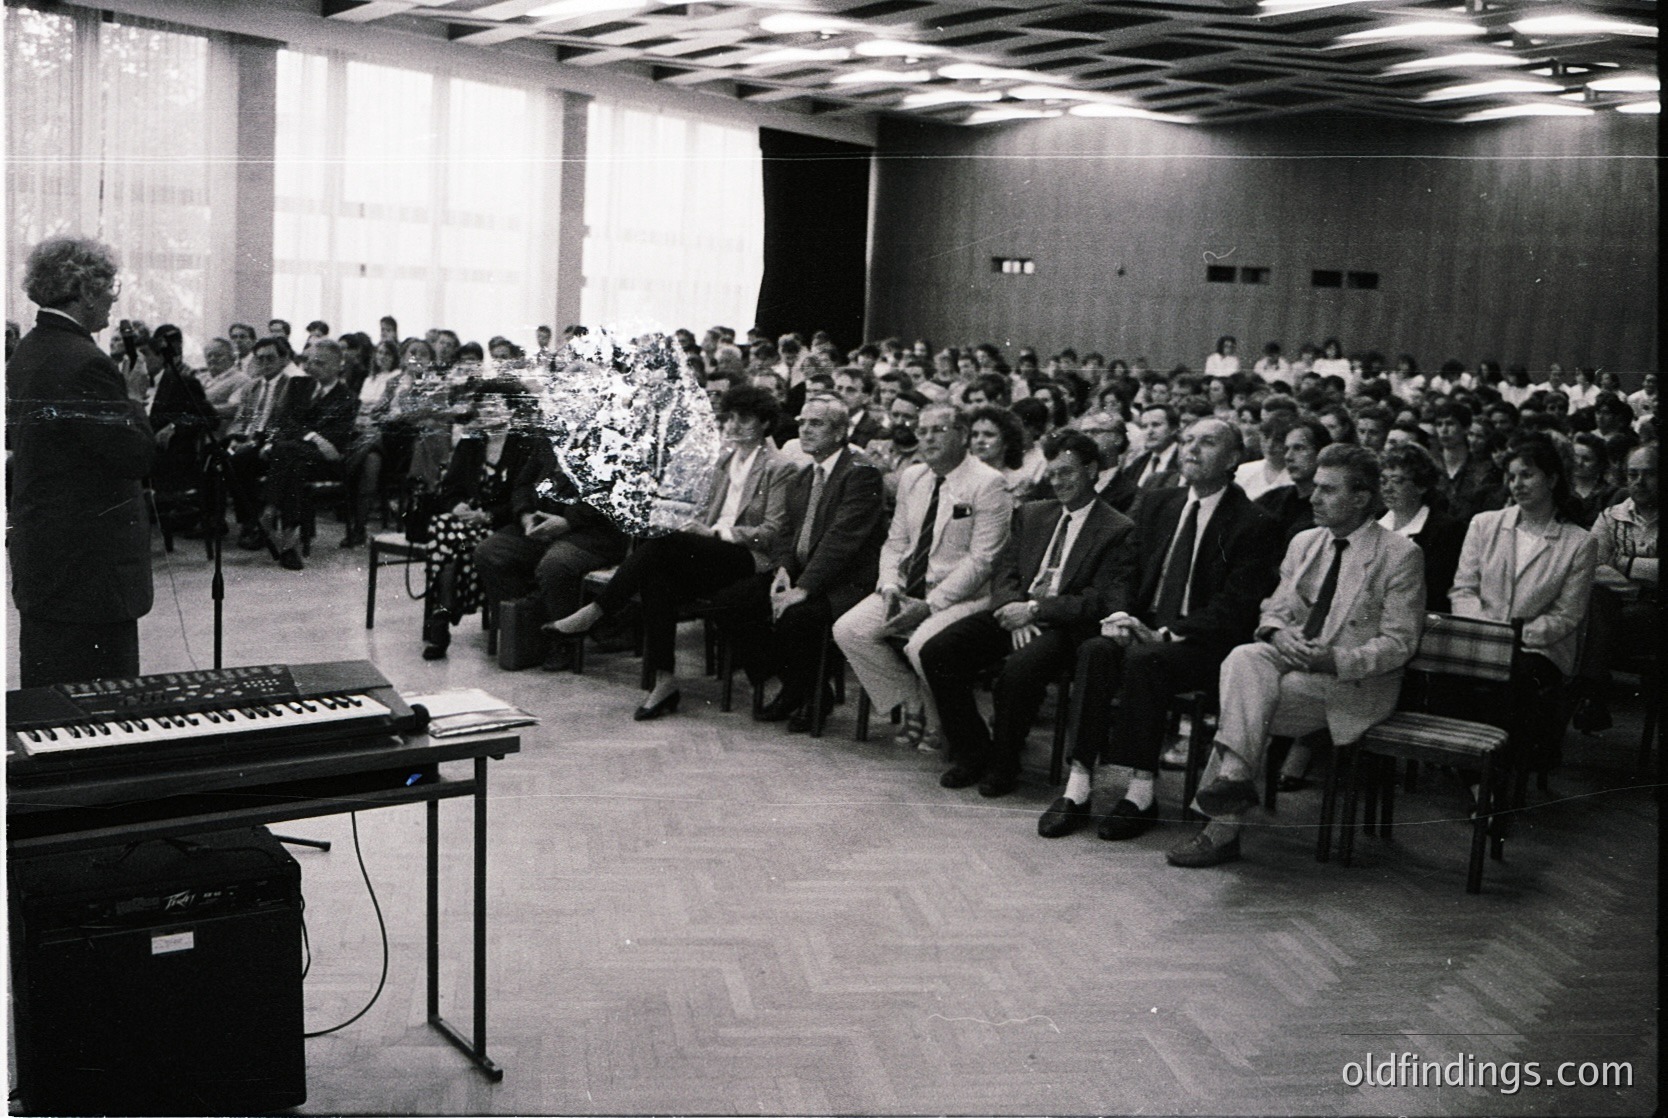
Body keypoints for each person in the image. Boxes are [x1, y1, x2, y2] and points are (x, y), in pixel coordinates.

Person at [1176, 445, 1425, 868]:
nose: (1313, 499)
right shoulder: (1306, 542)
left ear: (1362, 497)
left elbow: (1400, 644)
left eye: (1328, 490)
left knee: (1249, 700)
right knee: (1244, 658)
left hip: (1352, 681)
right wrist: (1277, 634)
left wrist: (1334, 660)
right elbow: (1274, 608)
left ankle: (1221, 827)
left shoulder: (1400, 555)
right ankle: (1234, 783)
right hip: (1293, 665)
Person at [1037, 418, 1281, 840]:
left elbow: (1235, 607)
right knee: (1096, 649)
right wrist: (1120, 615)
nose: (1191, 449)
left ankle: (1141, 792)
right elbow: (1125, 572)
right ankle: (1078, 787)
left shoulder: (1253, 521)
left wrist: (1168, 634)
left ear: (1234, 459)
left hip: (1202, 644)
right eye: (1187, 440)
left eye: (1207, 443)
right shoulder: (1157, 503)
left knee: (1147, 659)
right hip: (1143, 628)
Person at [547, 384, 797, 719]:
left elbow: (771, 532)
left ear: (766, 423)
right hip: (708, 555)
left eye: (744, 419)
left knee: (663, 545)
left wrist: (716, 532)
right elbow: (702, 511)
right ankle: (664, 681)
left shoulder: (779, 466)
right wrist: (689, 524)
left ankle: (598, 611)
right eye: (731, 417)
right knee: (656, 575)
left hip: (747, 557)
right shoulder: (724, 461)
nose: (733, 425)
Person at [919, 430, 1139, 798]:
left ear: (1092, 469)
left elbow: (1099, 600)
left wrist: (1034, 610)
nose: (1058, 482)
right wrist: (1009, 605)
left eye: (1067, 472)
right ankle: (974, 751)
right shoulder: (1034, 513)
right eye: (1052, 474)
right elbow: (1005, 568)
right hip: (1014, 611)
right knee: (938, 651)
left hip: (1064, 627)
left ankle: (1005, 764)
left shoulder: (1117, 528)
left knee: (1018, 672)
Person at [8, 236, 155, 686]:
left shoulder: (29, 350)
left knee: (49, 692)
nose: (114, 296)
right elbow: (135, 455)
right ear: (85, 288)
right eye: (109, 285)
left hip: (47, 558)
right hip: (91, 570)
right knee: (100, 701)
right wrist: (132, 397)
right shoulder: (86, 361)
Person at [833, 402, 1012, 750]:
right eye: (922, 431)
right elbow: (896, 541)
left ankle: (939, 720)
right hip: (909, 588)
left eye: (937, 430)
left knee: (921, 646)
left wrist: (930, 605)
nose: (927, 438)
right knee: (849, 630)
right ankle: (912, 700)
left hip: (965, 596)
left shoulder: (989, 483)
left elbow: (983, 561)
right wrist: (889, 586)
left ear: (962, 435)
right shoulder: (913, 477)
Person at [1448, 433, 1599, 777]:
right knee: (1453, 677)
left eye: (1527, 475)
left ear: (1553, 479)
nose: (1517, 484)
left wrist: (1515, 636)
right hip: (1483, 637)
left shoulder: (1579, 543)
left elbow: (1567, 616)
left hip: (1540, 648)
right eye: (1512, 476)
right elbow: (1463, 590)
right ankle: (1481, 777)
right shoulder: (1484, 524)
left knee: (1511, 679)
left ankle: (1485, 777)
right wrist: (1489, 631)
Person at [733, 394, 888, 730]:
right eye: (802, 422)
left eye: (816, 423)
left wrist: (802, 588)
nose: (804, 430)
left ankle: (806, 693)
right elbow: (788, 536)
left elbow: (841, 542)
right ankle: (802, 685)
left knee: (797, 617)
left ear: (839, 431)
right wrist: (785, 571)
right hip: (804, 573)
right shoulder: (803, 478)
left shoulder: (861, 474)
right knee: (737, 601)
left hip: (845, 582)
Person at [417, 385, 545, 659]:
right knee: (446, 528)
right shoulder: (471, 441)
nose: (487, 409)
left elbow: (522, 497)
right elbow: (449, 488)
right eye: (483, 404)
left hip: (500, 525)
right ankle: (446, 609)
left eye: (495, 403)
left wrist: (487, 516)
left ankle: (443, 612)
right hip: (465, 524)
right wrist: (457, 506)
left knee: (447, 536)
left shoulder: (524, 444)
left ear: (511, 409)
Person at [256, 338, 359, 569]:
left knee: (287, 451)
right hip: (298, 456)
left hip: (325, 461)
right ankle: (289, 542)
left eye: (320, 363)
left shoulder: (348, 399)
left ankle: (269, 510)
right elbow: (284, 422)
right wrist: (314, 436)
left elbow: (334, 443)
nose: (312, 367)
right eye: (309, 361)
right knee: (293, 462)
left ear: (337, 366)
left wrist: (305, 436)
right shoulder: (298, 385)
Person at [1255, 417, 1331, 543]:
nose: (1288, 457)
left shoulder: (1328, 507)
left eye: (1299, 448)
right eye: (1286, 449)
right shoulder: (1272, 499)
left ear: (1321, 452)